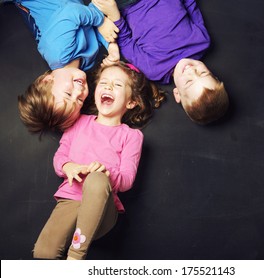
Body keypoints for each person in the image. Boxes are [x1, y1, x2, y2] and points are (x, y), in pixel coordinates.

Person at [33, 61, 165, 260]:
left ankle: (76, 256)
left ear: (131, 102)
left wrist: (105, 173)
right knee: (44, 253)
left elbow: (127, 180)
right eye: (104, 83)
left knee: (96, 180)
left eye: (118, 85)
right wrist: (68, 167)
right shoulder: (78, 123)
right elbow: (60, 156)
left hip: (103, 209)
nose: (108, 87)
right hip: (70, 200)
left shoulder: (131, 136)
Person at [93, 0, 230, 125]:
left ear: (177, 94)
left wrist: (114, 15)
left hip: (131, 5)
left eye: (189, 82)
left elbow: (127, 42)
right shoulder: (202, 42)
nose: (191, 71)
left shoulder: (155, 70)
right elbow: (190, 5)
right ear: (212, 73)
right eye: (203, 73)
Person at [12, 0, 121, 134]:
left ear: (46, 80)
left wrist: (102, 22)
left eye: (68, 94)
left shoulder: (57, 51)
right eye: (80, 100)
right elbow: (91, 25)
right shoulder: (85, 65)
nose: (79, 91)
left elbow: (72, 12)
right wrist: (111, 46)